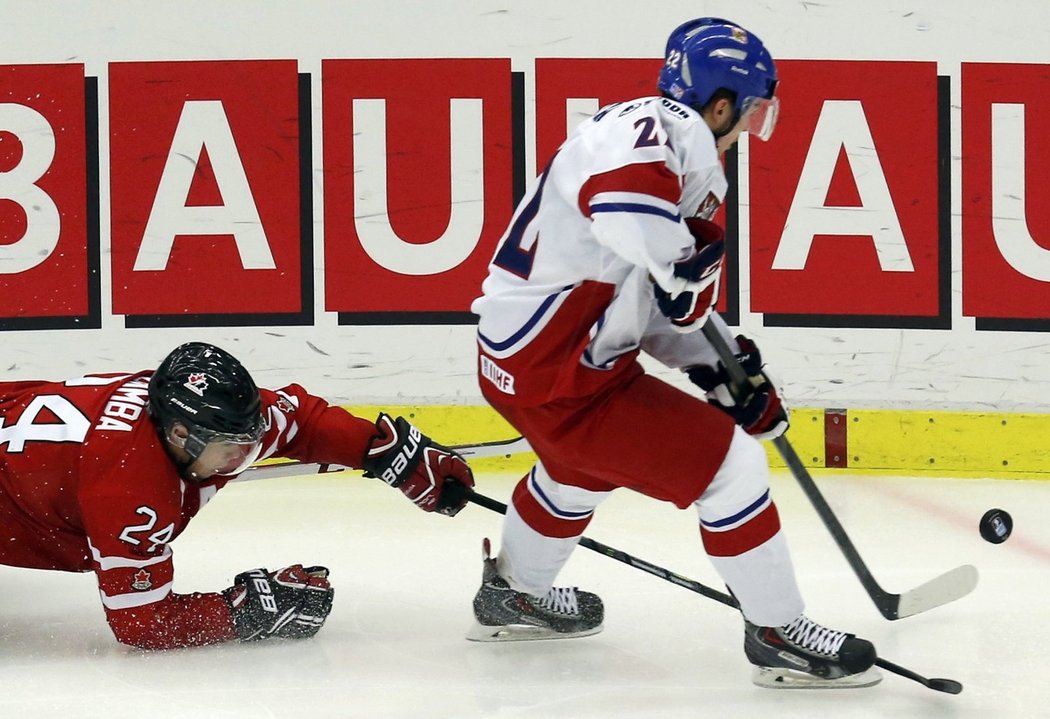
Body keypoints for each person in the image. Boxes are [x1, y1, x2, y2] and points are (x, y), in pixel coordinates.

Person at [467, 17, 880, 689]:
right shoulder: (673, 129)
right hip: (564, 369)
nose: (749, 128)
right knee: (733, 469)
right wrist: (684, 270)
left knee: (578, 469)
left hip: (522, 359)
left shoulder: (642, 138)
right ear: (721, 104)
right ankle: (777, 630)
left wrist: (721, 368)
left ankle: (515, 590)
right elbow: (625, 213)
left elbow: (650, 303)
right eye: (748, 113)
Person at [0, 341, 474, 649]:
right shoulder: (132, 493)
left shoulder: (212, 418)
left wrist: (387, 451)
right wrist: (241, 610)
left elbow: (302, 423)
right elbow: (143, 623)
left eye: (248, 449)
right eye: (228, 453)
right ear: (180, 433)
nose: (237, 465)